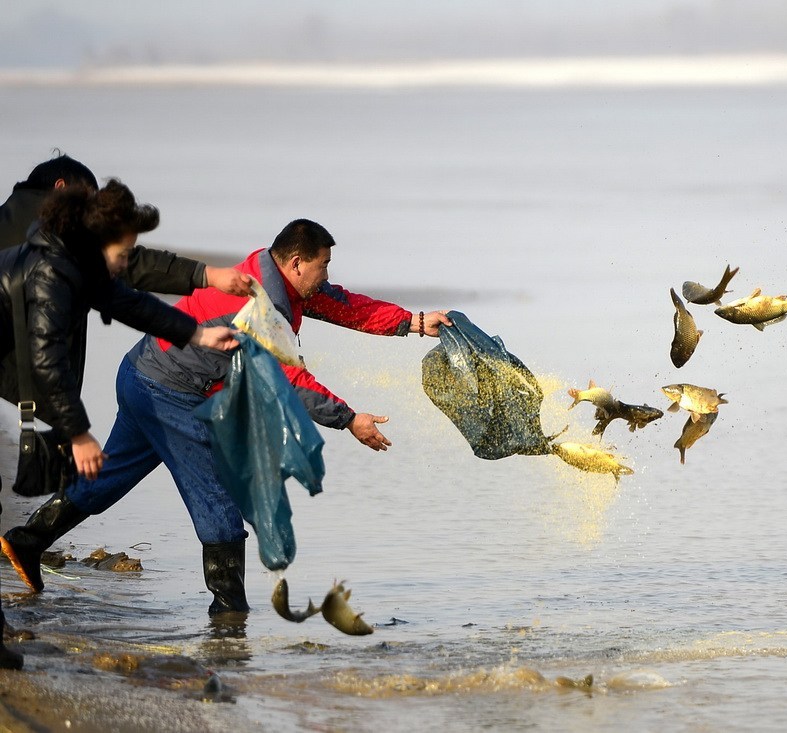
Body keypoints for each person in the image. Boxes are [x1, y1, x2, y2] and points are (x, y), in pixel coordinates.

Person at [2, 218, 452, 619]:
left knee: (110, 478)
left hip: (141, 372)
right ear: (297, 263)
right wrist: (350, 419)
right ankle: (228, 618)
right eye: (323, 265)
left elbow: (343, 304)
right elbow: (291, 381)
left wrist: (413, 322)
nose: (327, 274)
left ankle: (26, 541)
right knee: (219, 508)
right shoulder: (263, 306)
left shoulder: (270, 272)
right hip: (168, 392)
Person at [0, 179, 239, 671]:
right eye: (127, 251)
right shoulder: (52, 273)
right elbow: (47, 362)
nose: (130, 260)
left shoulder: (78, 263)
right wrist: (81, 433)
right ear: (99, 239)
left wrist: (197, 332)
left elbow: (133, 304)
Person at [1, 153, 252, 297]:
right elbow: (131, 264)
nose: (92, 214)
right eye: (87, 200)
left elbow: (129, 305)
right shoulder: (64, 233)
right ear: (61, 188)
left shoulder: (8, 218)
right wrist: (207, 275)